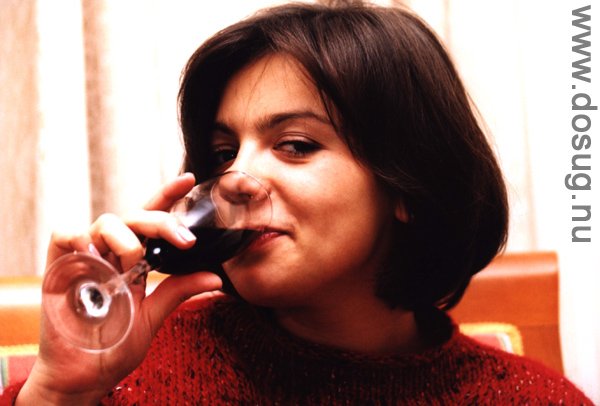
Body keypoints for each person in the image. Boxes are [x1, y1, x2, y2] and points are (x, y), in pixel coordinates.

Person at [3, 1, 593, 404]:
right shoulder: (135, 373)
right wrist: (59, 391)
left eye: (295, 145)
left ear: (406, 186)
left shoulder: (532, 398)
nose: (236, 180)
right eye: (223, 152)